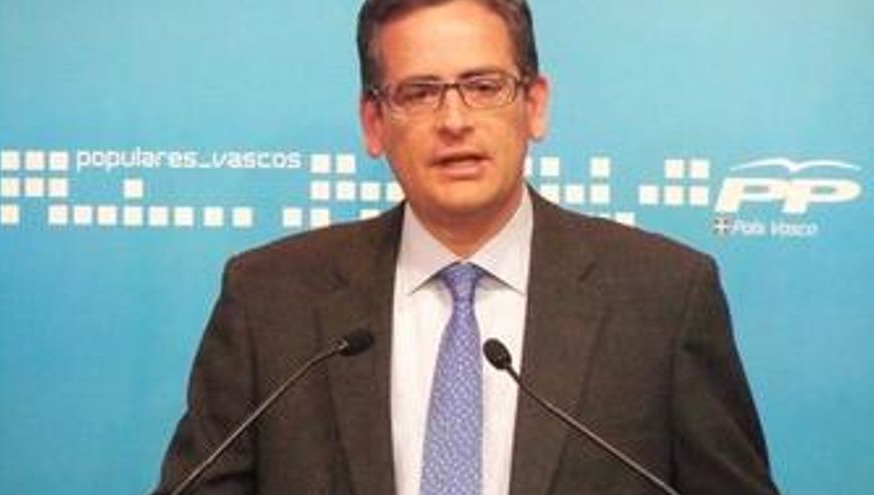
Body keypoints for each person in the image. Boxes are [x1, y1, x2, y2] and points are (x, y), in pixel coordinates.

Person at [153, 0, 781, 493]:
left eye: (483, 86)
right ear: (374, 123)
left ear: (534, 105)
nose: (454, 121)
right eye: (419, 92)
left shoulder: (664, 297)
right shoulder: (270, 299)